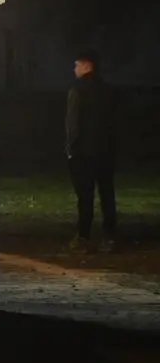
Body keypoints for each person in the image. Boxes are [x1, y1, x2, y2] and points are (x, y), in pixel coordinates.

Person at [67, 48, 117, 253]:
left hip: (84, 152)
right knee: (107, 194)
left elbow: (73, 124)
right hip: (106, 150)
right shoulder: (108, 90)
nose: (74, 69)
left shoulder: (77, 90)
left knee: (85, 195)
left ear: (87, 65)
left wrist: (71, 147)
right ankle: (109, 236)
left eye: (77, 65)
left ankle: (83, 236)